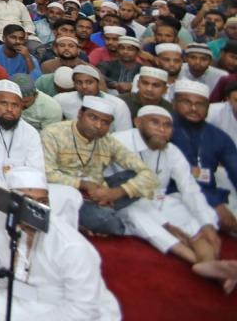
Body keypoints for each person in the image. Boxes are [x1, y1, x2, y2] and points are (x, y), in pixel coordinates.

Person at [0, 168, 121, 321]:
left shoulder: (70, 245)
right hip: (25, 299)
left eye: (42, 201)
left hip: (67, 307)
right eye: (28, 201)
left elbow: (83, 309)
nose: (36, 210)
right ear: (11, 203)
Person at [111, 105, 222, 265]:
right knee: (138, 217)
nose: (162, 129)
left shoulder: (171, 150)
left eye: (167, 125)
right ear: (138, 122)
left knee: (193, 215)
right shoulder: (118, 142)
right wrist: (166, 225)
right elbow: (128, 193)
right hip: (126, 202)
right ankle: (196, 261)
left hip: (160, 199)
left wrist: (207, 224)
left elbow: (189, 187)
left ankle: (210, 262)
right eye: (155, 122)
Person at [41, 96, 158, 235]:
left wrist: (114, 193)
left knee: (136, 176)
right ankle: (101, 215)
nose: (98, 126)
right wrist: (83, 184)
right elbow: (46, 173)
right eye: (93, 118)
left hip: (99, 192)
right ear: (80, 114)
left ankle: (98, 211)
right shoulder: (53, 133)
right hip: (66, 195)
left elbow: (150, 175)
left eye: (105, 122)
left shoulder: (108, 141)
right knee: (108, 221)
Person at [170, 80, 237, 235]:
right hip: (172, 192)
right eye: (187, 102)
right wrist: (215, 204)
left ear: (208, 107)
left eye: (200, 104)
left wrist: (216, 203)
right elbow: (178, 178)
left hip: (209, 191)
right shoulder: (164, 129)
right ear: (174, 103)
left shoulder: (219, 137)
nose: (194, 108)